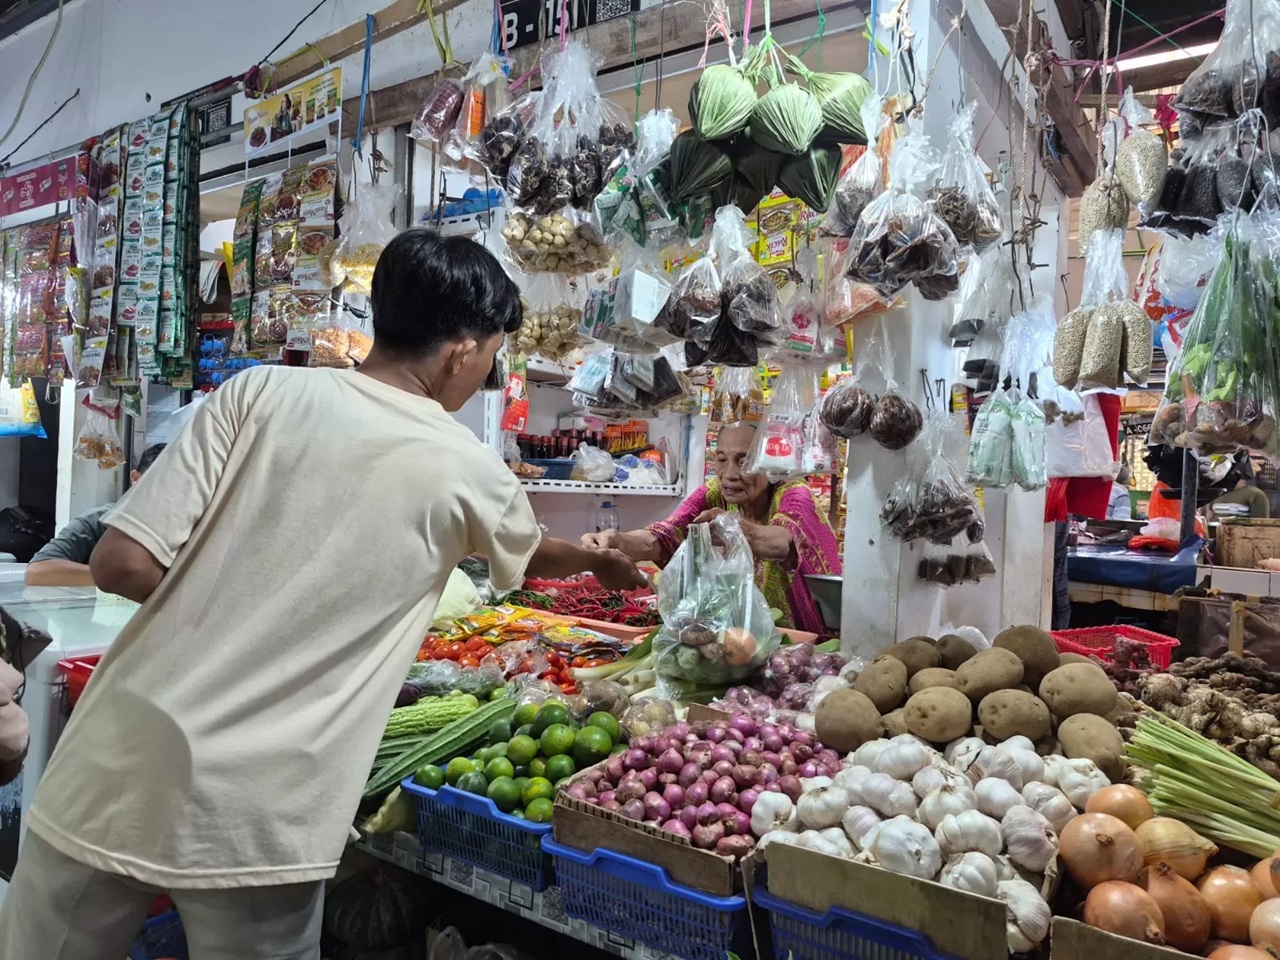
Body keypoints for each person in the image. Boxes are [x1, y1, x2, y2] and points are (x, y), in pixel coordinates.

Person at [0, 228, 645, 960]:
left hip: (116, 762)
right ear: (464, 349)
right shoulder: (468, 469)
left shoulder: (258, 391)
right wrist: (600, 565)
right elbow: (529, 555)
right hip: (263, 805)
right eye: (493, 354)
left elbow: (119, 563)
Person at [581, 422, 842, 635]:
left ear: (769, 462)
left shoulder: (794, 493)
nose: (729, 473)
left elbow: (781, 542)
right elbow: (662, 536)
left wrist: (731, 528)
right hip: (744, 640)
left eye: (744, 461)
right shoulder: (714, 494)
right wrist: (617, 540)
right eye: (721, 459)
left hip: (807, 638)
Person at [23, 443, 168, 587]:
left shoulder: (186, 530)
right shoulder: (101, 522)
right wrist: (121, 579)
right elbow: (37, 571)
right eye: (159, 483)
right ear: (136, 478)